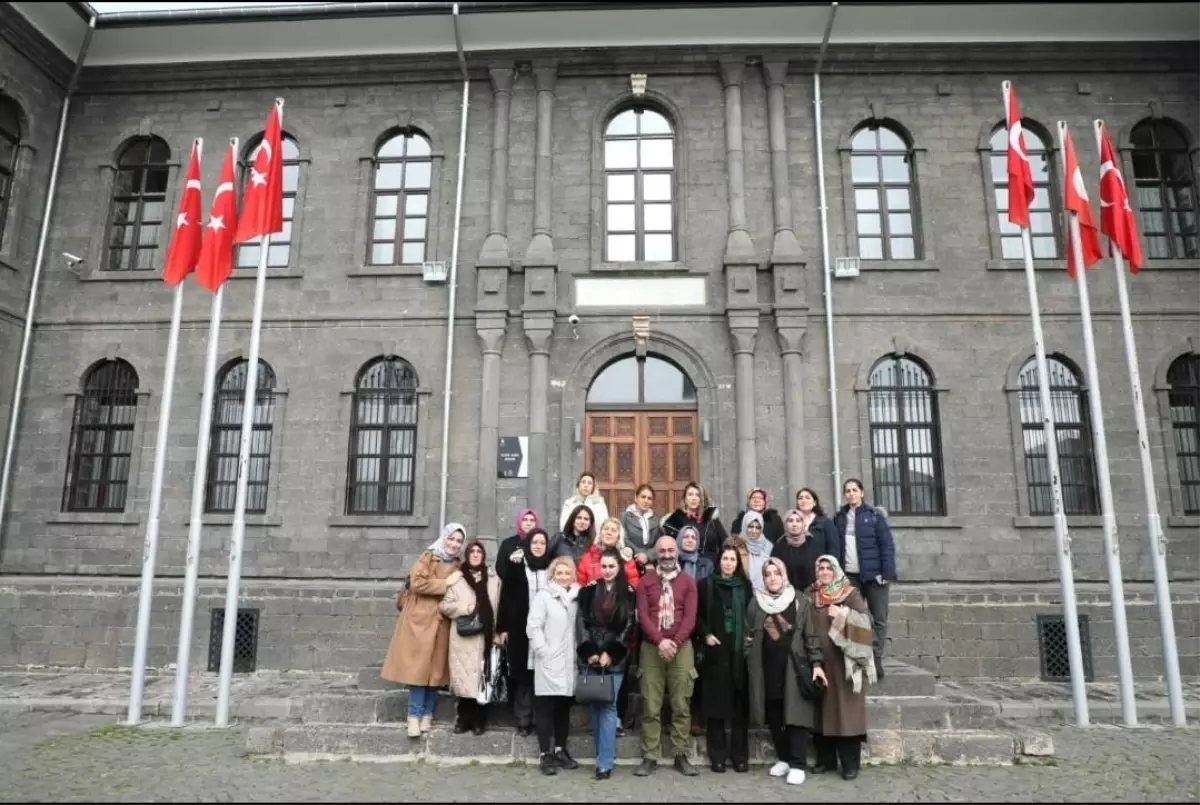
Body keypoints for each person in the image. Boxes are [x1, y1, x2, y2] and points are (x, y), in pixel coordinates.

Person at [748, 557, 826, 786]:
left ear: (784, 576)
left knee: (795, 716)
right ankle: (783, 758)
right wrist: (749, 655)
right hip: (766, 668)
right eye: (768, 574)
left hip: (793, 667)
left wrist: (817, 663)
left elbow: (811, 635)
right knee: (774, 715)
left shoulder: (800, 601)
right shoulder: (756, 603)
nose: (772, 578)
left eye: (776, 573)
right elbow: (749, 635)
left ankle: (798, 763)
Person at [380, 523, 464, 738]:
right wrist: (446, 583)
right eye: (451, 539)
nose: (454, 544)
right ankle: (413, 716)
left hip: (442, 620)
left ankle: (427, 713)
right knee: (418, 670)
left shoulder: (457, 564)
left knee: (436, 670)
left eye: (458, 541)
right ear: (444, 538)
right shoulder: (429, 556)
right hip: (420, 619)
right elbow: (418, 583)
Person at [634, 535, 699, 778]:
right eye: (662, 550)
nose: (667, 554)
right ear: (656, 553)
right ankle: (650, 755)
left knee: (681, 703)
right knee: (651, 704)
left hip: (682, 648)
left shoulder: (688, 582)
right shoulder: (645, 581)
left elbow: (691, 618)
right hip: (652, 648)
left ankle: (680, 754)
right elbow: (643, 615)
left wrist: (675, 642)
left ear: (677, 551)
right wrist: (660, 641)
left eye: (671, 550)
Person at [810, 554, 874, 780]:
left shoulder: (849, 594)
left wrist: (843, 615)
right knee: (823, 714)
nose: (825, 572)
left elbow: (867, 624)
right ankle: (825, 760)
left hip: (845, 664)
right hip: (820, 663)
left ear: (836, 571)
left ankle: (850, 764)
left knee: (847, 714)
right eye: (821, 568)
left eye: (829, 568)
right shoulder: (812, 595)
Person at [576, 548, 637, 780]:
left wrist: (611, 652)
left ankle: (605, 762)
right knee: (595, 704)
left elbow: (629, 624)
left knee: (609, 705)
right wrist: (590, 651)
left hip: (615, 656)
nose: (608, 570)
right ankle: (600, 754)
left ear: (619, 567)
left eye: (612, 566)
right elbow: (581, 620)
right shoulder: (589, 591)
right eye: (604, 566)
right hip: (592, 653)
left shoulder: (628, 593)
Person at [696, 545, 752, 774]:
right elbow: (697, 615)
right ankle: (717, 756)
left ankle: (740, 756)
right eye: (725, 559)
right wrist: (706, 634)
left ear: (738, 563)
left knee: (740, 708)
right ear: (718, 561)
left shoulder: (745, 587)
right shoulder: (707, 585)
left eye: (732, 559)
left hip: (740, 653)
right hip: (716, 653)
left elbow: (752, 613)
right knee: (716, 706)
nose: (728, 563)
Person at [833, 478, 896, 679]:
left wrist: (887, 573)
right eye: (848, 491)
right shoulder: (840, 518)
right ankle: (858, 658)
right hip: (851, 577)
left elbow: (887, 545)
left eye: (854, 490)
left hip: (874, 575)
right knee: (853, 617)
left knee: (879, 618)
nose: (851, 494)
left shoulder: (874, 516)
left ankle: (875, 658)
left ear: (862, 492)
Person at [440, 541, 501, 735]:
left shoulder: (493, 579)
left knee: (483, 679)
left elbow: (499, 606)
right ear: (467, 555)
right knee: (464, 680)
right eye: (472, 551)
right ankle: (463, 719)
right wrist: (466, 609)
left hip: (486, 636)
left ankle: (479, 721)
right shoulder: (457, 579)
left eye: (479, 551)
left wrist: (498, 631)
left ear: (483, 555)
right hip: (464, 639)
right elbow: (445, 606)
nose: (475, 554)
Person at [495, 528, 552, 736]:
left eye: (542, 543)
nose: (538, 546)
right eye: (535, 542)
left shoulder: (551, 568)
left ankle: (540, 719)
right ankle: (523, 719)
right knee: (522, 674)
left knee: (541, 674)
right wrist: (502, 628)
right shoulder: (518, 566)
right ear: (528, 544)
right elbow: (506, 598)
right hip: (520, 627)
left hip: (546, 629)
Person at [528, 555, 581, 776]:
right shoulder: (544, 596)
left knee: (563, 708)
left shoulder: (576, 597)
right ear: (553, 575)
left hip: (569, 661)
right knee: (545, 708)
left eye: (567, 573)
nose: (563, 577)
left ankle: (560, 749)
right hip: (549, 660)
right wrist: (543, 651)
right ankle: (545, 754)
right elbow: (533, 626)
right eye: (559, 573)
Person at [772, 491, 841, 593]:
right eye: (800, 498)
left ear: (815, 502)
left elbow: (833, 550)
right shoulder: (780, 544)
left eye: (807, 497)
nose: (794, 524)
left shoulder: (823, 526)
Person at [662, 481, 728, 566]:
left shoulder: (711, 518)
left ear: (702, 499)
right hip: (684, 567)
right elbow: (668, 547)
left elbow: (725, 543)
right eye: (690, 494)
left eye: (697, 495)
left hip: (710, 566)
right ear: (685, 498)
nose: (694, 498)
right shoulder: (675, 519)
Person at [577, 517, 640, 589]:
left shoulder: (626, 559)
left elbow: (633, 583)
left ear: (618, 536)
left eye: (613, 531)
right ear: (600, 533)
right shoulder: (587, 558)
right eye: (606, 529)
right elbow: (580, 585)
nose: (609, 533)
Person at [621, 483, 663, 570]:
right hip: (629, 561)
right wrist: (638, 554)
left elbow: (659, 542)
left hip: (651, 563)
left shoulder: (656, 519)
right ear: (636, 498)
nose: (646, 500)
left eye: (649, 498)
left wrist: (647, 556)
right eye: (643, 497)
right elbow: (625, 539)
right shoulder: (625, 517)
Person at [728, 510, 773, 591]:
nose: (754, 531)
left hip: (764, 593)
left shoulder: (768, 546)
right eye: (750, 527)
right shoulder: (736, 544)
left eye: (758, 527)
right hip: (740, 591)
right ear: (745, 526)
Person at [496, 508, 540, 583]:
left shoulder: (541, 543)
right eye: (525, 520)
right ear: (519, 522)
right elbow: (500, 567)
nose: (528, 523)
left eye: (532, 520)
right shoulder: (508, 543)